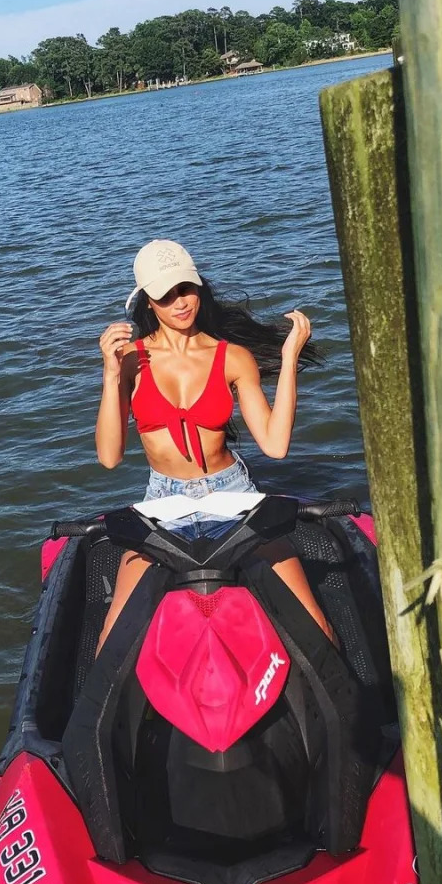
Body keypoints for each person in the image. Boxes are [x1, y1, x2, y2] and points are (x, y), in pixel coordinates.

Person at [94, 238, 335, 652]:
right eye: (165, 295)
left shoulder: (233, 357)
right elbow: (109, 457)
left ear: (199, 287)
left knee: (313, 623)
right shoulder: (130, 360)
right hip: (162, 501)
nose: (179, 302)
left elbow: (275, 445)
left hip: (233, 494)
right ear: (148, 303)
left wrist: (289, 357)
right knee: (113, 635)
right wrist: (110, 375)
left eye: (185, 288)